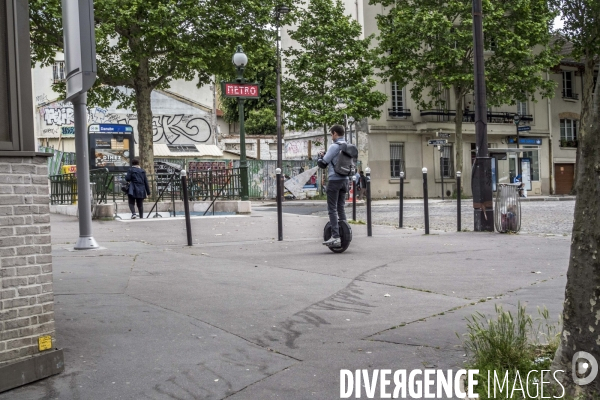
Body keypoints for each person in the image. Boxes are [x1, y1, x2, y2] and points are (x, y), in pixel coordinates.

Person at [318, 125, 349, 247]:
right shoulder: (348, 145)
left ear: (335, 133)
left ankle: (335, 236)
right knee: (340, 207)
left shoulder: (334, 146)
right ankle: (345, 233)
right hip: (345, 180)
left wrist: (320, 156)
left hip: (334, 180)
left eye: (331, 134)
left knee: (332, 208)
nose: (331, 136)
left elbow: (323, 164)